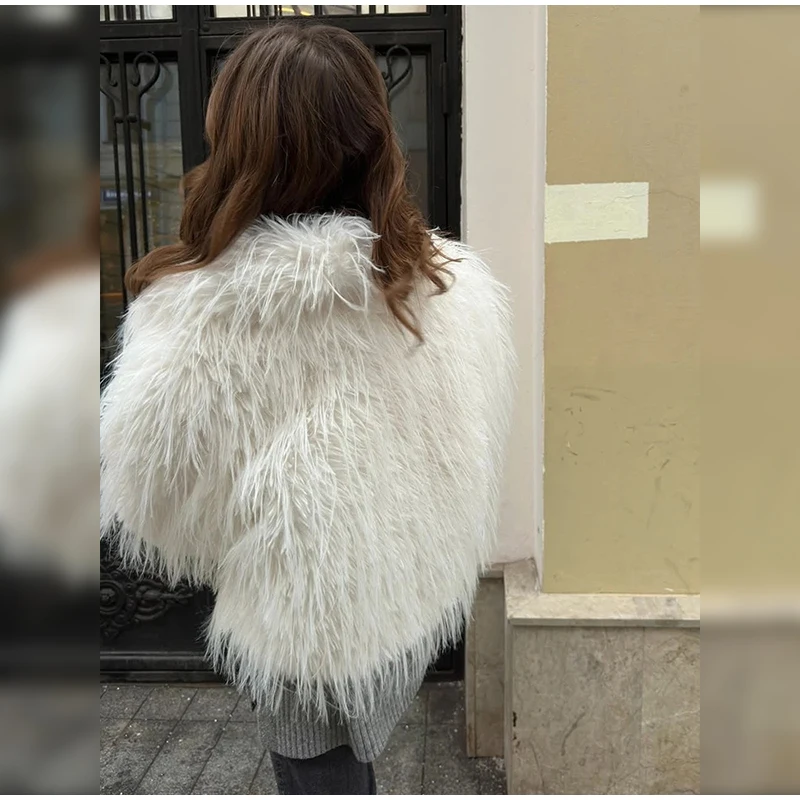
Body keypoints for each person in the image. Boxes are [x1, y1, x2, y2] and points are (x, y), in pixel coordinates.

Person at [100, 22, 515, 795]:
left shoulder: (200, 313)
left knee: (315, 767)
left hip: (296, 622)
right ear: (372, 134)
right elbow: (463, 447)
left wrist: (263, 531)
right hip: (403, 601)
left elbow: (156, 501)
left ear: (238, 142)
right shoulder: (444, 285)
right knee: (350, 763)